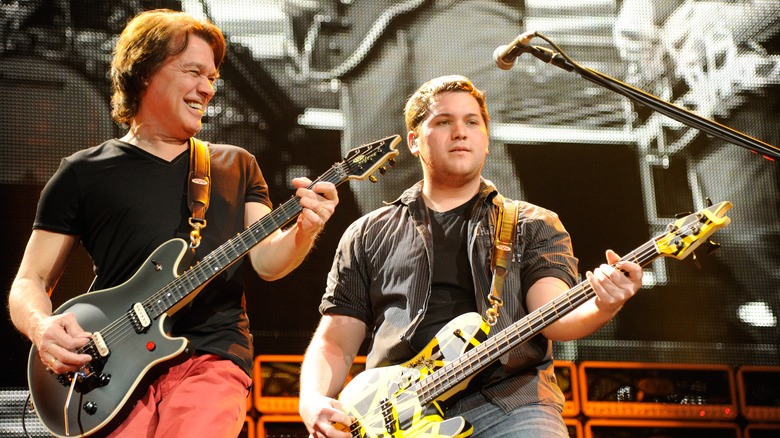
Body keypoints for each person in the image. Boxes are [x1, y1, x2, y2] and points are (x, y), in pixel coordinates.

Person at [7, 9, 338, 438]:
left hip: (210, 357)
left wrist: (305, 228)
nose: (207, 88)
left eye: (212, 77)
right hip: (113, 369)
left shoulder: (234, 164)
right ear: (144, 71)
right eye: (193, 72)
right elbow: (28, 281)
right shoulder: (81, 172)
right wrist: (42, 326)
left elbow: (269, 261)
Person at [298, 75, 643, 438]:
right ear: (414, 141)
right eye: (444, 122)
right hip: (395, 416)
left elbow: (554, 315)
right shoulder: (367, 233)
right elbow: (335, 339)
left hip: (512, 405)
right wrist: (310, 399)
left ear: (486, 140)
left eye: (472, 122)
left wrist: (605, 304)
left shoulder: (533, 224)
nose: (460, 132)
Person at [284, 0, 527, 213]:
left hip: (459, 6)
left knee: (451, 131)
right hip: (368, 16)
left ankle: (502, 261)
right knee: (374, 161)